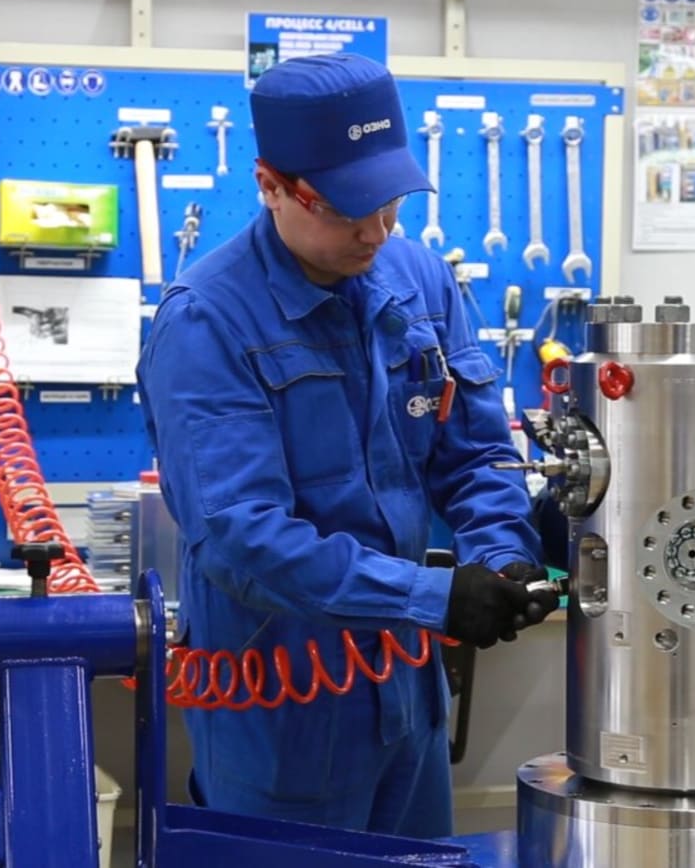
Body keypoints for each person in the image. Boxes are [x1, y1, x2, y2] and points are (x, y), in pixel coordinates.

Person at [136, 52, 565, 840]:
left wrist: (503, 554)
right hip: (281, 707)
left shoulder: (418, 279)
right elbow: (241, 537)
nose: (376, 230)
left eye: (390, 201)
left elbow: (475, 454)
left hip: (407, 693)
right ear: (271, 185)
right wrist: (434, 597)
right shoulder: (206, 322)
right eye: (345, 208)